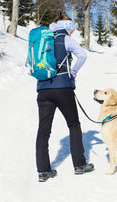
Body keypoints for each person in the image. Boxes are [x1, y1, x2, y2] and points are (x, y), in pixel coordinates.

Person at [35, 11, 94, 182]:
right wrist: (73, 73)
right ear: (68, 28)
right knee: (74, 124)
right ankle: (79, 165)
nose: (73, 33)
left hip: (43, 89)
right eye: (72, 30)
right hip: (63, 88)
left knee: (43, 130)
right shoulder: (65, 38)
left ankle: (43, 170)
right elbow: (82, 55)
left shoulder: (43, 38)